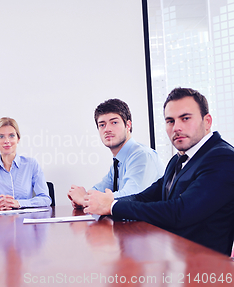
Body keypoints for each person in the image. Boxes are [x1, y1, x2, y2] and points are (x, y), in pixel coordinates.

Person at [84, 88, 234, 256]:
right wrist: (108, 203)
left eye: (185, 118)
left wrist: (112, 206)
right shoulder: (179, 159)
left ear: (207, 121)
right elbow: (145, 196)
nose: (176, 127)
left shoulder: (223, 157)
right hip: (173, 257)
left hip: (205, 269)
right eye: (170, 121)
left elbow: (179, 212)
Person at [68, 99, 164, 208]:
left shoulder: (142, 156)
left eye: (114, 122)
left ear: (128, 125)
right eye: (102, 125)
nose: (107, 129)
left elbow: (130, 196)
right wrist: (85, 198)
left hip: (148, 224)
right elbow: (100, 189)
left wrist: (84, 200)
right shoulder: (118, 161)